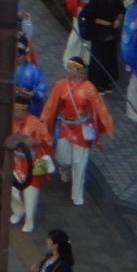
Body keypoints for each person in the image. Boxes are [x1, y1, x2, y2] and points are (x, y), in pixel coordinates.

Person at [41, 55, 110, 206]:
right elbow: (51, 104)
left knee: (80, 163)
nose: (68, 70)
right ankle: (64, 170)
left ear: (79, 71)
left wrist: (107, 125)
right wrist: (44, 119)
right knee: (63, 158)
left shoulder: (89, 88)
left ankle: (77, 195)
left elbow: (99, 108)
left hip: (81, 127)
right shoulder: (61, 85)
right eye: (68, 67)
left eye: (71, 68)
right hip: (65, 126)